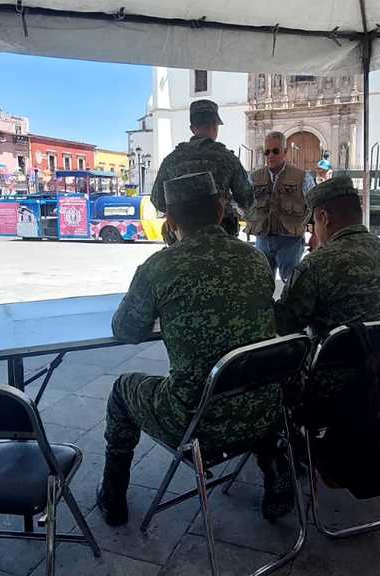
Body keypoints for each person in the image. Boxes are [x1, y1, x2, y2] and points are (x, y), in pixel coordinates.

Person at [98, 171, 294, 526]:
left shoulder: (160, 266)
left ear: (170, 221)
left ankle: (113, 495)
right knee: (249, 374)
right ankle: (276, 466)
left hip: (195, 419)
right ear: (220, 211)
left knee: (122, 391)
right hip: (265, 410)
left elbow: (125, 329)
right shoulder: (255, 260)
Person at [275, 175, 380, 393]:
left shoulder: (316, 265)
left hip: (328, 388)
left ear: (324, 217)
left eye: (313, 224)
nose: (314, 232)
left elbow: (285, 325)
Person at [149, 99, 253, 241]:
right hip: (220, 240)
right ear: (215, 126)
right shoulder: (227, 158)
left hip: (182, 242)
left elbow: (157, 200)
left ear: (192, 128)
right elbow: (247, 199)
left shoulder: (171, 160)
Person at [246, 131, 315, 283]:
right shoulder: (253, 178)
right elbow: (243, 203)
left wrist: (315, 234)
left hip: (290, 242)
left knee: (292, 285)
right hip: (262, 240)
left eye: (275, 151)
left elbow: (314, 206)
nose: (270, 155)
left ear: (285, 152)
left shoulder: (303, 178)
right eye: (267, 151)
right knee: (261, 283)